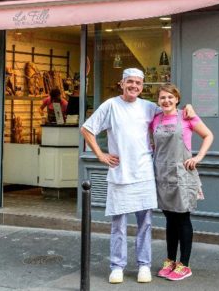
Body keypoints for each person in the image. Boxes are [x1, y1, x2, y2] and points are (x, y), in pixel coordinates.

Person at [80, 68, 194, 284]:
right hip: (120, 174)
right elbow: (87, 129)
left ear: (142, 86)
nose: (134, 86)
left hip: (144, 173)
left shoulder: (149, 107)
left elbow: (171, 110)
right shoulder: (111, 105)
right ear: (121, 83)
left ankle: (144, 265)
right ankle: (117, 266)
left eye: (138, 83)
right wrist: (101, 155)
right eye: (130, 82)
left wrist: (187, 107)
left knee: (145, 224)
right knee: (119, 224)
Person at [150, 83, 213, 281]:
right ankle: (170, 260)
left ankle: (184, 264)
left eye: (170, 97)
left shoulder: (186, 116)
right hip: (162, 173)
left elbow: (208, 135)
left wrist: (198, 158)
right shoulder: (155, 119)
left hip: (182, 174)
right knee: (170, 220)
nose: (166, 101)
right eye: (162, 98)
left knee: (183, 219)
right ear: (158, 101)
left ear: (177, 99)